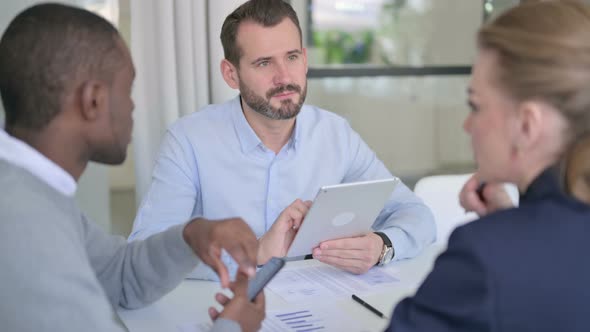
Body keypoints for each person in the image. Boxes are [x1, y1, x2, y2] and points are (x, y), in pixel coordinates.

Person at [0, 4, 264, 332]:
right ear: (93, 100)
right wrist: (233, 327)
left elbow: (117, 275)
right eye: (127, 90)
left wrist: (190, 235)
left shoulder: (32, 191)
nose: (132, 105)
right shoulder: (23, 228)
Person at [129, 0, 435, 279]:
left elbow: (416, 215)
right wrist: (255, 253)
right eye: (264, 63)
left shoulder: (335, 135)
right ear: (231, 74)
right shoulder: (188, 142)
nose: (284, 77)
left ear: (304, 59)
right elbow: (145, 253)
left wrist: (381, 245)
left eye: (291, 57)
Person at [387, 1, 590, 331]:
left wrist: (505, 239)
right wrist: (511, 225)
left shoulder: (484, 259)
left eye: (475, 106)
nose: (468, 125)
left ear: (527, 125)